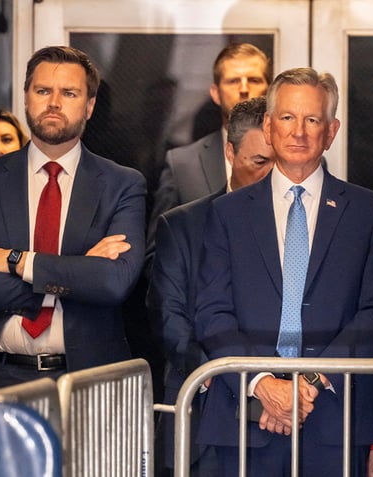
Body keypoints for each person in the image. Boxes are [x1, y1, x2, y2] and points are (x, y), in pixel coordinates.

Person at [194, 67, 373, 477]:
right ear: (268, 127)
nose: (299, 131)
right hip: (245, 419)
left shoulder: (368, 212)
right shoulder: (226, 213)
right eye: (287, 118)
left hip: (337, 418)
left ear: (332, 131)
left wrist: (305, 383)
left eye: (312, 120)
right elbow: (212, 311)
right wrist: (264, 384)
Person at [0, 46, 146, 391]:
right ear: (25, 97)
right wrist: (76, 272)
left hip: (87, 381)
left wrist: (17, 261)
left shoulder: (122, 184)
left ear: (90, 105)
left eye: (69, 92)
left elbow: (113, 283)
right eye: (42, 91)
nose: (54, 102)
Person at [146, 97, 273, 476]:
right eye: (260, 162)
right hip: (202, 417)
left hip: (280, 423)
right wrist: (250, 384)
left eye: (279, 162)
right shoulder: (181, 225)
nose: (272, 175)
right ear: (230, 154)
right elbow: (170, 322)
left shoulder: (304, 228)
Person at [149, 43, 271, 241]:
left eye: (254, 80)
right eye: (233, 81)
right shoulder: (183, 165)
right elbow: (158, 254)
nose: (244, 89)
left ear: (270, 90)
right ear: (215, 93)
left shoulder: (294, 159)